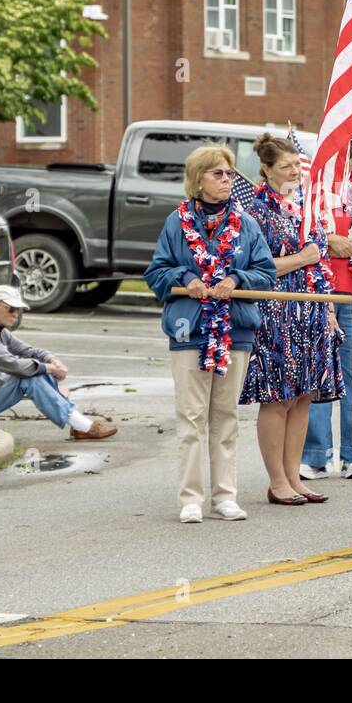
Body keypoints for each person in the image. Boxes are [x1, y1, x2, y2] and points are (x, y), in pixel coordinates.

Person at [144, 145, 276, 524]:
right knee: (190, 418)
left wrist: (236, 279)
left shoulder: (246, 224)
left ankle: (225, 496)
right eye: (217, 173)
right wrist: (186, 278)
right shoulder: (177, 222)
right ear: (198, 179)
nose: (226, 180)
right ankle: (191, 498)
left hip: (235, 331)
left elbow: (266, 273)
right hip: (191, 329)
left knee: (226, 416)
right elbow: (156, 272)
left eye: (229, 174)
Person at [239, 133, 344, 506]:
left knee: (303, 396)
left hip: (310, 308)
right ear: (265, 171)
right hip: (275, 311)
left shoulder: (307, 206)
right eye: (285, 167)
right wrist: (302, 259)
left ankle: (294, 475)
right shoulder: (254, 211)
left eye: (297, 166)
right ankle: (276, 479)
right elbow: (254, 267)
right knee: (277, 398)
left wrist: (329, 310)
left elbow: (323, 264)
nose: (294, 173)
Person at [301, 137, 352, 482]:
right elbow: (298, 231)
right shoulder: (309, 190)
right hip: (317, 289)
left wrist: (348, 245)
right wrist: (325, 242)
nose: (346, 158)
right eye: (340, 152)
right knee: (318, 372)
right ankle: (316, 455)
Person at [0, 284, 116, 439]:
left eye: (19, 309)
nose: (16, 313)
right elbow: (14, 365)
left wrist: (52, 360)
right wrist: (50, 370)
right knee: (28, 376)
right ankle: (83, 427)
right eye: (11, 308)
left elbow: (27, 350)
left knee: (34, 371)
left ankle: (80, 425)